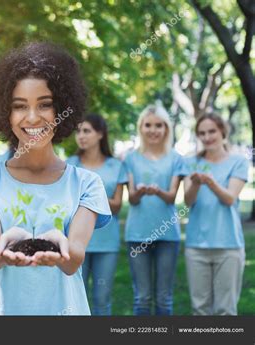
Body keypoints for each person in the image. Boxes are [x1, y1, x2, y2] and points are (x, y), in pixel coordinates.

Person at [0, 42, 112, 315]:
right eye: (19, 106)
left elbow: (73, 260)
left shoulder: (87, 184)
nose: (32, 118)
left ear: (63, 109)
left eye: (45, 105)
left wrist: (59, 243)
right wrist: (6, 243)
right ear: (5, 112)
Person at [124, 103, 187, 315]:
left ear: (166, 129)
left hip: (167, 236)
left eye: (159, 125)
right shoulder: (131, 158)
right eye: (148, 125)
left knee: (164, 298)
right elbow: (132, 199)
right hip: (137, 234)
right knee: (142, 297)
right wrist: (140, 192)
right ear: (141, 128)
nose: (153, 130)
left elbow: (171, 198)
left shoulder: (176, 158)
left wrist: (158, 191)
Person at [184, 113, 248, 315]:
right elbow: (188, 201)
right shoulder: (190, 162)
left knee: (226, 310)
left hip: (228, 245)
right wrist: (194, 183)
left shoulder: (238, 162)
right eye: (202, 133)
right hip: (196, 245)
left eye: (211, 131)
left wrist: (211, 183)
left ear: (222, 131)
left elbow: (229, 198)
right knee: (200, 308)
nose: (207, 137)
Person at [67, 113, 127, 315]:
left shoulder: (116, 165)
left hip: (106, 243)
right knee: (75, 300)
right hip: (74, 242)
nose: (81, 136)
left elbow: (117, 205)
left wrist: (86, 198)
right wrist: (100, 200)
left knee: (102, 300)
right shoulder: (69, 164)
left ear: (100, 134)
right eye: (78, 131)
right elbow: (66, 202)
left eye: (87, 131)